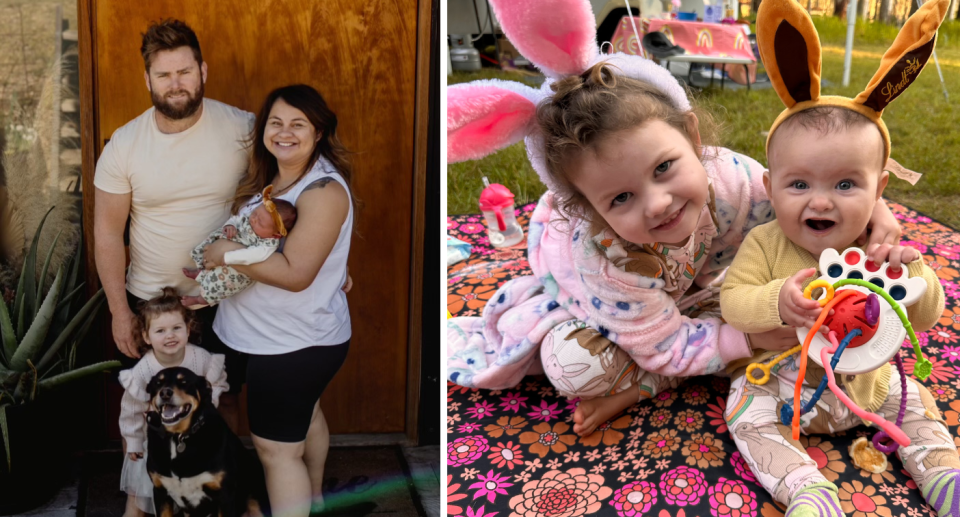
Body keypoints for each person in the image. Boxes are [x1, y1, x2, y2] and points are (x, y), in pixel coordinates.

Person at [447, 58, 903, 438]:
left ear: (692, 136)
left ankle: (686, 354)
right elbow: (661, 343)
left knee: (753, 299)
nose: (658, 203)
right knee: (573, 367)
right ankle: (651, 381)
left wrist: (875, 209)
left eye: (664, 167)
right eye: (620, 198)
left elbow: (811, 187)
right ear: (588, 207)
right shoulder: (600, 258)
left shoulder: (731, 178)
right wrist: (747, 339)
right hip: (610, 309)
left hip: (691, 293)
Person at [719, 0, 960, 515]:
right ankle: (806, 489)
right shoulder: (765, 243)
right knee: (743, 410)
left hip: (871, 386)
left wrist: (911, 270)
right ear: (769, 187)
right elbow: (733, 303)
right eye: (799, 183)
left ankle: (944, 477)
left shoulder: (880, 251)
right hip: (785, 386)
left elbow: (927, 315)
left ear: (880, 191)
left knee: (916, 402)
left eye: (846, 184)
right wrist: (775, 301)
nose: (821, 200)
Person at [93, 19, 253, 433]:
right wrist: (118, 312)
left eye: (184, 71)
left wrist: (327, 266)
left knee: (225, 399)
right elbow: (108, 233)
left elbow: (289, 201)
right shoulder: (124, 145)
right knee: (154, 406)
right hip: (152, 304)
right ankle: (154, 497)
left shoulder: (245, 130)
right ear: (148, 78)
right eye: (164, 74)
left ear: (203, 71)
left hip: (224, 300)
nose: (175, 83)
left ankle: (225, 494)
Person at [202, 84, 354, 517]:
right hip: (246, 331)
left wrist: (225, 255)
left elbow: (296, 275)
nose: (285, 132)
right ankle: (316, 498)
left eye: (298, 124)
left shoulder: (323, 190)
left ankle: (305, 497)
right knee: (305, 415)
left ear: (319, 131)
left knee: (274, 450)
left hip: (295, 341)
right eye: (275, 122)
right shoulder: (269, 178)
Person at [118, 288, 229, 517]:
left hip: (195, 437)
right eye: (160, 330)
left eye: (176, 328)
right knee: (154, 483)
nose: (170, 335)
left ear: (188, 330)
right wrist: (134, 442)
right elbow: (131, 410)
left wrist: (209, 403)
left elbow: (217, 381)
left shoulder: (199, 358)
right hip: (156, 441)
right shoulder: (144, 369)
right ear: (147, 337)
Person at [181, 187, 298, 308]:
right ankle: (200, 273)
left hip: (236, 271)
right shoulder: (250, 219)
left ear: (276, 234)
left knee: (219, 286)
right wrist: (230, 225)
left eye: (260, 222)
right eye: (256, 213)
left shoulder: (267, 245)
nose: (253, 219)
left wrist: (226, 257)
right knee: (208, 251)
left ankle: (199, 299)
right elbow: (237, 219)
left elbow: (250, 256)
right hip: (224, 247)